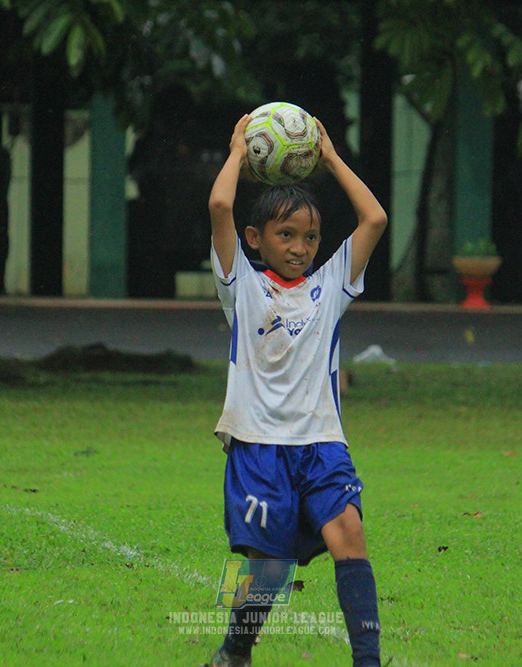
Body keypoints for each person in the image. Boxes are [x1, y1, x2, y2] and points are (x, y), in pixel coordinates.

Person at [207, 114, 388, 667]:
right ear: (255, 239)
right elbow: (220, 207)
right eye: (286, 235)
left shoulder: (328, 286)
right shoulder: (241, 285)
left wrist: (329, 156)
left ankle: (368, 662)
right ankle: (236, 650)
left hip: (322, 443)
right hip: (258, 445)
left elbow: (374, 217)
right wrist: (238, 151)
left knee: (349, 536)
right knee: (268, 567)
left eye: (310, 236)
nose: (301, 247)